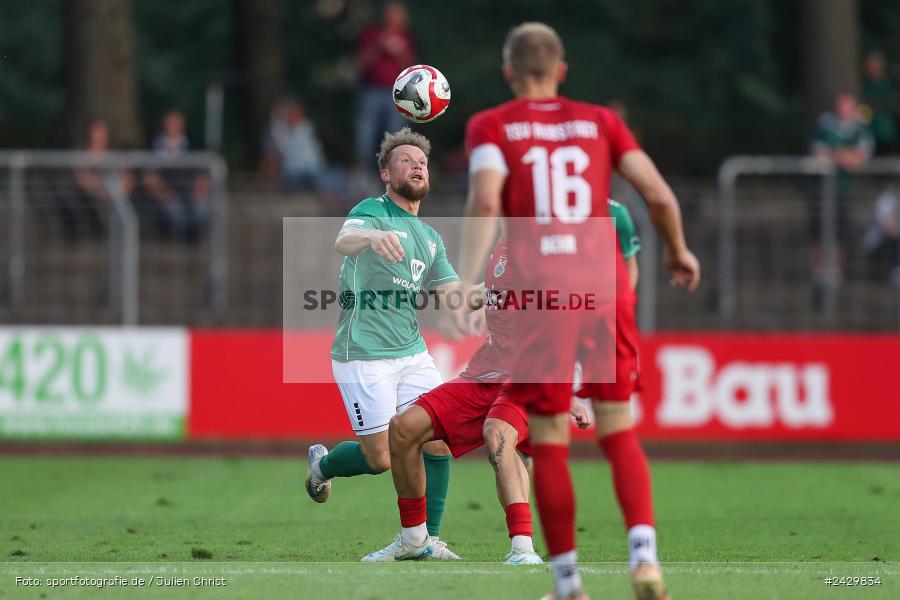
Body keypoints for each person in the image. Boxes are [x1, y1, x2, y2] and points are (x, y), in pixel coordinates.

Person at [452, 23, 699, 600]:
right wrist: (680, 250)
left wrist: (465, 279)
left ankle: (568, 584)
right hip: (606, 289)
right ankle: (644, 558)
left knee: (550, 440)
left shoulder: (490, 125)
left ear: (509, 73)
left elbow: (486, 197)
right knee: (619, 431)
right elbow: (659, 195)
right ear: (562, 70)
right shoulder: (601, 122)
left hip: (544, 296)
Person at [383, 198, 640, 564]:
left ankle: (523, 549)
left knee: (498, 434)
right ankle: (414, 539)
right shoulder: (501, 245)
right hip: (488, 369)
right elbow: (492, 296)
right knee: (404, 428)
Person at [305, 127, 461, 560]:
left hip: (412, 354)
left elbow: (452, 291)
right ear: (385, 174)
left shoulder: (430, 238)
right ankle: (324, 465)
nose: (417, 166)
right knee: (381, 459)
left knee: (437, 440)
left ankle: (426, 539)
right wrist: (372, 237)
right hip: (363, 353)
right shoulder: (370, 211)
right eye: (406, 160)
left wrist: (485, 294)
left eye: (422, 162)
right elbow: (343, 240)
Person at [810, 92, 874, 306]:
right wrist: (845, 156)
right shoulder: (826, 126)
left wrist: (836, 155)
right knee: (819, 232)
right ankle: (818, 273)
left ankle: (834, 273)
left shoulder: (860, 130)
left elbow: (860, 158)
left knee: (841, 233)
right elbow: (819, 154)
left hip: (844, 190)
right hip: (823, 190)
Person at [354, 1, 416, 190]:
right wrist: (380, 44)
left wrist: (398, 51)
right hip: (371, 91)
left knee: (396, 137)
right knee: (366, 135)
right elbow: (360, 63)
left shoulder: (406, 37)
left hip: (397, 95)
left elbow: (413, 68)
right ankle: (363, 174)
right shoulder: (371, 34)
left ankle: (396, 179)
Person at [259, 97, 350, 206]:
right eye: (294, 112)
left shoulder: (307, 128)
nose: (298, 115)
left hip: (315, 170)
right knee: (320, 179)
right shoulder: (279, 132)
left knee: (339, 173)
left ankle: (344, 205)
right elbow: (270, 156)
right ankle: (335, 203)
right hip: (295, 172)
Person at [142, 110, 211, 240]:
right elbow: (149, 178)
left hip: (189, 194)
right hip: (166, 196)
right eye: (169, 122)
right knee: (175, 211)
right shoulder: (154, 147)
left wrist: (199, 195)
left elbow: (202, 177)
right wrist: (166, 196)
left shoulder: (193, 146)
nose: (172, 126)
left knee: (203, 209)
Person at [70, 119, 136, 239]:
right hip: (94, 198)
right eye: (94, 139)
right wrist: (101, 189)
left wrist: (121, 190)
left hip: (117, 195)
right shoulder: (82, 158)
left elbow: (128, 178)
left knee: (123, 206)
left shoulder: (114, 156)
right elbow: (82, 179)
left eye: (101, 139)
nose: (97, 143)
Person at [860, 52, 899, 155]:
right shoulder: (866, 87)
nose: (870, 67)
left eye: (873, 64)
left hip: (887, 133)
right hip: (871, 133)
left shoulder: (888, 86)